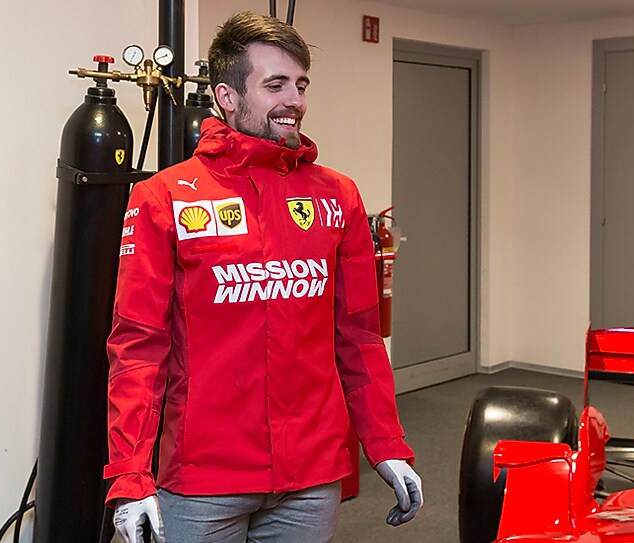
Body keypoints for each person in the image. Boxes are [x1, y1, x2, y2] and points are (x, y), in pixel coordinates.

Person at [106, 11, 422, 543]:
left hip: (311, 476)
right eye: (274, 85)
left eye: (300, 84)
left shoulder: (336, 196)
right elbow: (139, 347)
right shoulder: (163, 197)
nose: (293, 99)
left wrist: (386, 442)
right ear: (227, 97)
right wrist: (129, 473)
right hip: (204, 478)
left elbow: (360, 339)